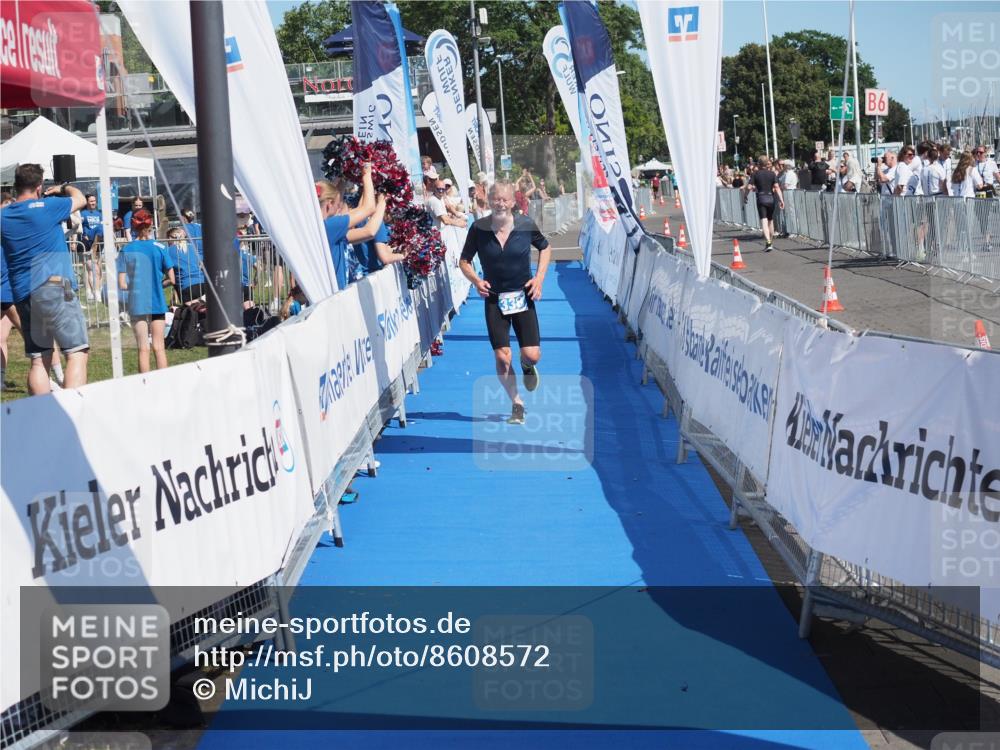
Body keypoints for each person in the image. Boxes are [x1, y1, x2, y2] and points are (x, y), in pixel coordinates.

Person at [459, 180, 551, 425]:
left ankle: (527, 365)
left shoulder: (525, 225)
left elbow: (545, 247)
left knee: (532, 355)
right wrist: (477, 281)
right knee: (502, 357)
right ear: (489, 200)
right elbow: (464, 261)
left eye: (504, 199)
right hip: (494, 299)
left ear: (513, 202)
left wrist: (539, 278)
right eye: (495, 198)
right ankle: (517, 403)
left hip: (522, 296)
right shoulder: (478, 229)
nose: (500, 203)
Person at [0, 164, 89, 395]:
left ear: (15, 184)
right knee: (76, 352)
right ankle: (72, 411)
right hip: (56, 287)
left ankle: (42, 418)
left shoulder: (3, 215)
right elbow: (80, 198)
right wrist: (63, 187)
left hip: (23, 293)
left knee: (40, 360)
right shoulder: (49, 207)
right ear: (39, 187)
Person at [117, 210, 175, 373]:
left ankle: (145, 387)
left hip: (137, 303)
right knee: (159, 347)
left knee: (143, 349)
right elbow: (172, 279)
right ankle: (163, 384)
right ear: (150, 226)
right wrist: (158, 284)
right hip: (157, 301)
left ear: (133, 227)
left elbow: (122, 283)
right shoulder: (160, 247)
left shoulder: (127, 249)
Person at [315, 163, 381, 289]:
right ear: (329, 205)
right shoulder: (330, 226)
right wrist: (367, 175)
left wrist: (345, 176)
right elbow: (369, 208)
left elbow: (368, 231)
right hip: (333, 297)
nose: (340, 205)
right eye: (337, 204)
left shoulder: (318, 226)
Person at [351, 195, 402, 277]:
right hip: (372, 274)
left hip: (358, 274)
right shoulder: (376, 222)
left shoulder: (358, 215)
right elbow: (385, 258)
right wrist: (404, 254)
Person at [747, 156, 784, 251]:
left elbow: (749, 187)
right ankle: (770, 242)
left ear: (758, 164)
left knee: (764, 220)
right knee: (770, 220)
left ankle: (768, 242)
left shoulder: (755, 174)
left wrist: (745, 196)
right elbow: (777, 187)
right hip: (771, 198)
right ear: (767, 163)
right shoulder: (772, 174)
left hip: (761, 198)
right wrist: (781, 200)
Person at [169, 213, 207, 303]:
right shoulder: (193, 247)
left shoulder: (169, 250)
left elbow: (170, 277)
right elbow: (202, 264)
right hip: (203, 283)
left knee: (192, 314)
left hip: (187, 286)